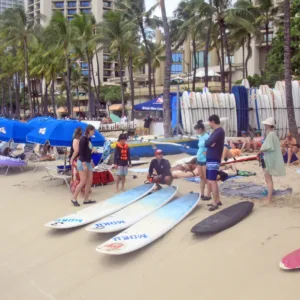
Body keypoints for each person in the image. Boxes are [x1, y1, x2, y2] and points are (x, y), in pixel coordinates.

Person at [257, 117, 285, 204]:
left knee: (268, 179)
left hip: (268, 159)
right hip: (268, 158)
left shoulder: (271, 134)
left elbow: (266, 147)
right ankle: (270, 194)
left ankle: (269, 198)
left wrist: (258, 152)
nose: (265, 125)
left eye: (266, 124)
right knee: (269, 179)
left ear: (269, 125)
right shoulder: (273, 134)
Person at [71, 125, 96, 207]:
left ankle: (86, 199)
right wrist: (84, 164)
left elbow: (88, 152)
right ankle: (74, 198)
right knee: (83, 181)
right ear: (89, 130)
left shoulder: (88, 139)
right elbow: (81, 153)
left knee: (90, 180)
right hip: (82, 162)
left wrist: (91, 160)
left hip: (88, 162)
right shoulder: (83, 139)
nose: (94, 132)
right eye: (93, 131)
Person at [204, 115, 225, 211]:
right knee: (210, 180)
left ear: (213, 121)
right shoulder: (215, 132)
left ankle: (215, 202)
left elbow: (208, 143)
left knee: (213, 181)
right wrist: (209, 143)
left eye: (209, 122)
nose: (209, 124)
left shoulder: (219, 131)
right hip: (210, 157)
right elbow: (207, 142)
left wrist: (209, 143)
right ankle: (218, 200)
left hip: (214, 158)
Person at [194, 120, 211, 200]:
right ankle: (202, 193)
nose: (196, 131)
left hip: (205, 159)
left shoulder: (207, 136)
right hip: (199, 157)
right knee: (201, 177)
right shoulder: (200, 136)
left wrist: (207, 152)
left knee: (206, 177)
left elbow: (211, 145)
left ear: (200, 129)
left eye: (197, 130)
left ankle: (208, 194)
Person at [70, 127, 83, 195]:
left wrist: (72, 158)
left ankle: (76, 190)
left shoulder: (75, 140)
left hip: (76, 159)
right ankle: (82, 190)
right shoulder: (82, 139)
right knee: (81, 175)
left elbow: (76, 150)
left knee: (76, 175)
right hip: (81, 158)